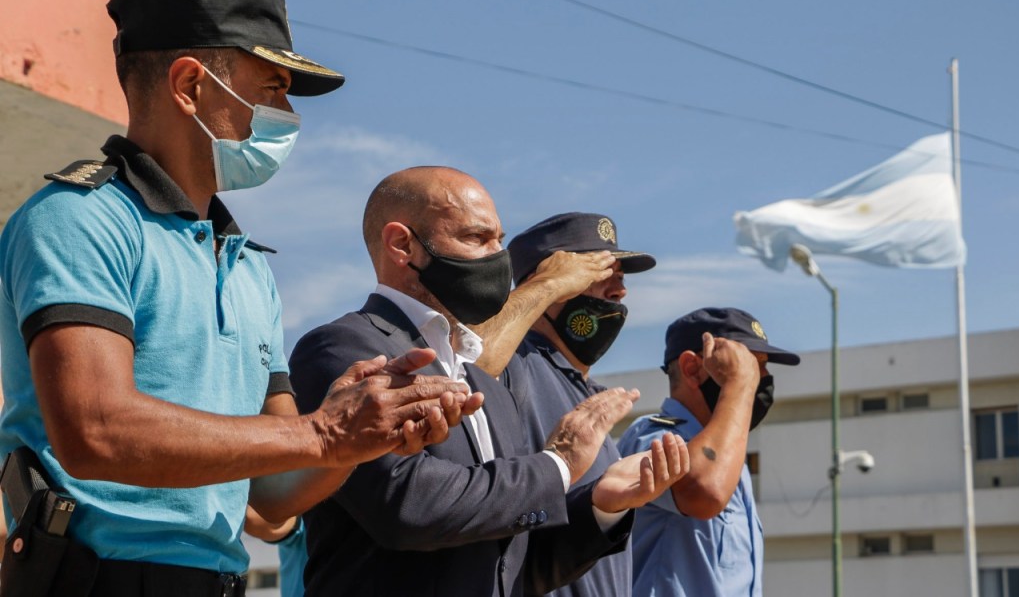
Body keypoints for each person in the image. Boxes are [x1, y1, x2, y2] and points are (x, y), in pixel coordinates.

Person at [0, 0, 481, 596]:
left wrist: (361, 438)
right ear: (192, 85)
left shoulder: (247, 265)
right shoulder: (80, 219)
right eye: (273, 88)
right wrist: (322, 431)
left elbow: (267, 502)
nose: (286, 115)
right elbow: (94, 430)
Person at [289, 167, 689, 597]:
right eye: (477, 238)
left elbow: (512, 569)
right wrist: (558, 466)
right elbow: (408, 505)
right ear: (403, 245)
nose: (498, 258)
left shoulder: (482, 381)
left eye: (499, 239)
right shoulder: (344, 346)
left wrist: (601, 507)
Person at [483, 211, 656, 597]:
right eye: (598, 272)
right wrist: (541, 287)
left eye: (621, 277)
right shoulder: (511, 363)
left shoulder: (589, 393)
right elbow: (465, 361)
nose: (619, 291)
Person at [617, 307, 802, 597]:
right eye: (750, 365)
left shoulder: (730, 458)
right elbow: (705, 492)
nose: (759, 378)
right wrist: (738, 385)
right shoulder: (654, 436)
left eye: (762, 368)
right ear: (693, 369)